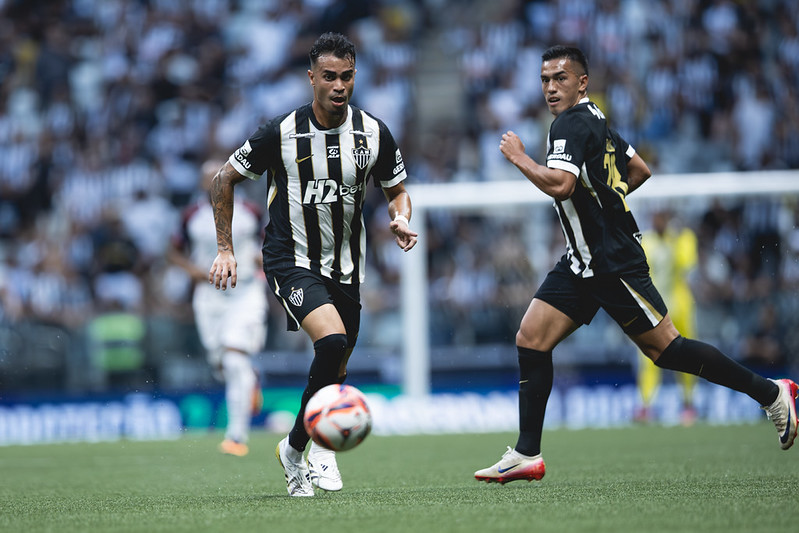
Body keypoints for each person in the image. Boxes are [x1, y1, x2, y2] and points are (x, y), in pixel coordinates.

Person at [474, 45, 798, 484]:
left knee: (666, 350)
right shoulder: (596, 120)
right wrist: (608, 203)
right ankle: (527, 453)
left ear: (582, 81)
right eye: (545, 80)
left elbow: (563, 185)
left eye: (561, 78)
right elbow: (640, 170)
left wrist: (519, 158)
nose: (551, 87)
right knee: (531, 338)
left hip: (610, 263)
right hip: (581, 262)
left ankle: (771, 392)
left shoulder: (569, 124)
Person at [208, 32, 417, 497]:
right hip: (291, 259)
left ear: (355, 76)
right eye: (329, 77)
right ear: (311, 78)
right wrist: (226, 248)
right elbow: (224, 179)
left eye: (346, 76)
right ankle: (322, 449)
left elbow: (397, 189)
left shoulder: (373, 132)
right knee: (333, 342)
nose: (338, 85)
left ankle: (295, 448)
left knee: (337, 366)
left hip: (347, 266)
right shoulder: (280, 133)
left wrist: (399, 218)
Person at [169, 159, 267, 457]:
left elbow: (269, 244)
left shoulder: (251, 212)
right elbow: (172, 251)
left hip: (245, 291)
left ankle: (236, 437)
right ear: (201, 183)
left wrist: (264, 261)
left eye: (221, 176)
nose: (216, 182)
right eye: (209, 178)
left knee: (235, 358)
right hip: (209, 296)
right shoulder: (191, 216)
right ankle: (250, 381)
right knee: (221, 363)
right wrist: (193, 271)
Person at [635, 209, 699, 425]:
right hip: (655, 308)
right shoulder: (647, 241)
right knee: (648, 356)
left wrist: (676, 240)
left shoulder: (682, 238)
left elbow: (687, 263)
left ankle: (689, 404)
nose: (657, 221)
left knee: (687, 354)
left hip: (681, 306)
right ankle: (646, 405)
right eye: (655, 217)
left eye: (661, 217)